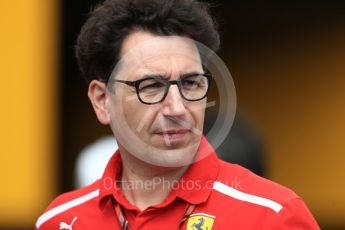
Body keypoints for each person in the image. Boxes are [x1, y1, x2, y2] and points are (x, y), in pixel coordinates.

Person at [35, 0, 320, 229]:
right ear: (102, 100)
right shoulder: (60, 220)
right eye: (151, 86)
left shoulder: (272, 216)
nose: (177, 108)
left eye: (191, 83)